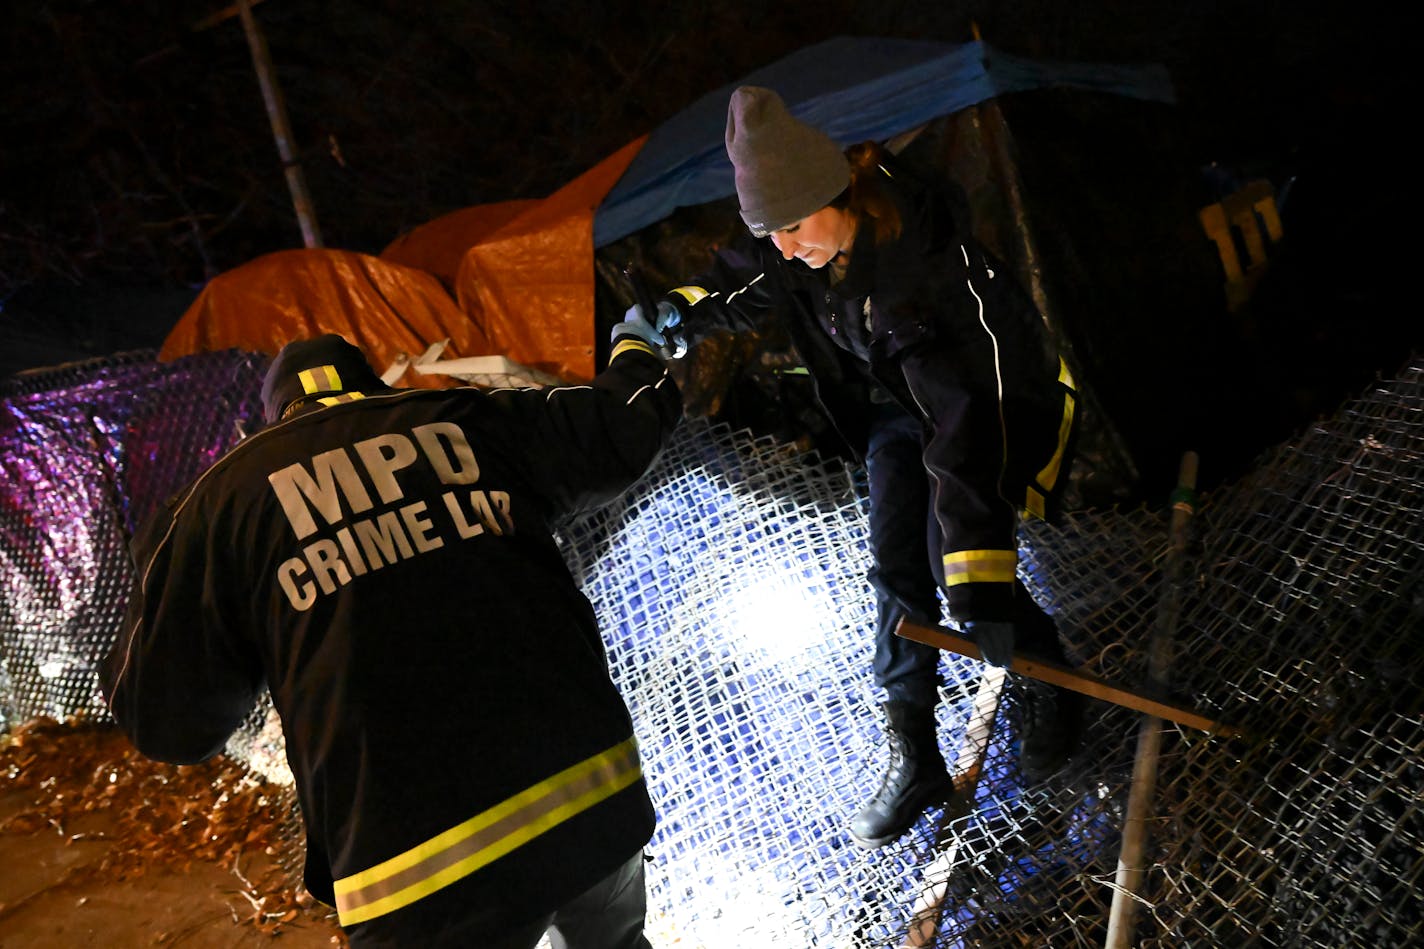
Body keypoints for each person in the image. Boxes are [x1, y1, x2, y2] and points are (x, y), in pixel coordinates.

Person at [101, 327, 681, 948]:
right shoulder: (470, 419)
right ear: (371, 384)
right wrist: (636, 345)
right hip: (588, 801)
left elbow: (168, 721)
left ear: (276, 418)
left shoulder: (219, 504)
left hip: (413, 866)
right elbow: (623, 421)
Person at [636, 86, 1083, 849]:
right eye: (769, 230)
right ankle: (914, 751)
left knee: (966, 569)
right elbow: (740, 280)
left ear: (836, 194)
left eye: (793, 226)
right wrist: (675, 312)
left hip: (986, 401)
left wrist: (978, 583)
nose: (784, 245)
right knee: (893, 567)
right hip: (894, 411)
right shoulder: (799, 245)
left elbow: (968, 417)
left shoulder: (929, 257)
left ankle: (1052, 688)